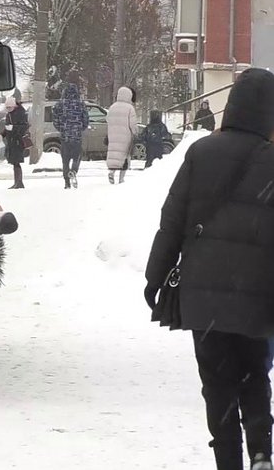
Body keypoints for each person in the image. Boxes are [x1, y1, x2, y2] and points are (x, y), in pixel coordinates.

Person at [144, 68, 274, 470]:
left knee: (217, 383)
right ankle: (262, 453)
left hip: (204, 294)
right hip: (258, 291)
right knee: (255, 373)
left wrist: (155, 277)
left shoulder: (201, 153)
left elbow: (173, 222)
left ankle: (229, 463)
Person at [52, 83, 89, 189]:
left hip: (65, 136)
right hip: (76, 136)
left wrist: (61, 129)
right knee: (77, 156)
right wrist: (80, 128)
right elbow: (86, 119)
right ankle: (73, 170)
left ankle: (66, 182)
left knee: (65, 159)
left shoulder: (60, 104)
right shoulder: (81, 104)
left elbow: (55, 120)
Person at [105, 86, 139, 184]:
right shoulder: (129, 108)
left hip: (112, 135)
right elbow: (133, 124)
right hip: (125, 136)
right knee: (124, 157)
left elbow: (108, 120)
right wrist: (135, 132)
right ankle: (121, 179)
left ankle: (112, 172)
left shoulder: (112, 107)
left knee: (114, 155)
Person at [3, 96, 29, 189]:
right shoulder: (9, 114)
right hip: (11, 141)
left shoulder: (20, 113)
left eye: (9, 107)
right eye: (7, 108)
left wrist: (13, 128)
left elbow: (24, 127)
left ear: (14, 106)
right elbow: (6, 126)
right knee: (14, 162)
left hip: (18, 141)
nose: (8, 109)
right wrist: (2, 134)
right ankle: (17, 182)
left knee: (16, 161)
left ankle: (19, 182)